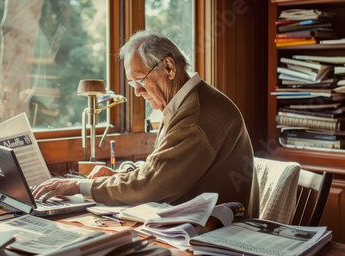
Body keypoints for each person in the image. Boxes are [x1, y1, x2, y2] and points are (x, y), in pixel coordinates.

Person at [33, 30, 259, 217]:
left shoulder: (196, 116)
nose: (138, 92)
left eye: (140, 81)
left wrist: (80, 186)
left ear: (169, 68)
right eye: (133, 84)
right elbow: (163, 167)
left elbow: (153, 184)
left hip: (216, 237)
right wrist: (117, 175)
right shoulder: (185, 103)